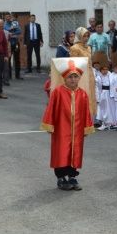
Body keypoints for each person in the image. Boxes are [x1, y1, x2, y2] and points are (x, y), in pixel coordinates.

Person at [41, 57, 95, 191]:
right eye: (70, 77)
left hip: (76, 131)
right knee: (61, 151)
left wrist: (86, 128)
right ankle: (61, 177)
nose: (73, 79)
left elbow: (86, 112)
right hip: (61, 129)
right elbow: (51, 109)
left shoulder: (82, 94)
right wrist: (50, 125)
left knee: (75, 152)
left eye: (75, 77)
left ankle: (72, 176)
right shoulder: (58, 92)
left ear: (79, 78)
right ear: (65, 78)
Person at [70, 27, 97, 116]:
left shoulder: (88, 47)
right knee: (81, 96)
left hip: (90, 74)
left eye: (87, 36)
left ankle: (89, 119)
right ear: (79, 36)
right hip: (81, 76)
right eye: (84, 36)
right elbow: (73, 64)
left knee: (90, 95)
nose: (86, 38)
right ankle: (80, 117)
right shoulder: (75, 48)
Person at [4, 13, 22, 80]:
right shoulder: (4, 24)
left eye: (9, 16)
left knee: (17, 59)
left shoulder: (15, 23)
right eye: (7, 17)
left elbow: (19, 31)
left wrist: (11, 32)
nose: (8, 18)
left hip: (16, 43)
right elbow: (5, 31)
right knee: (8, 59)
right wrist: (11, 29)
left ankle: (18, 75)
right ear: (5, 17)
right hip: (8, 44)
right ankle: (9, 75)